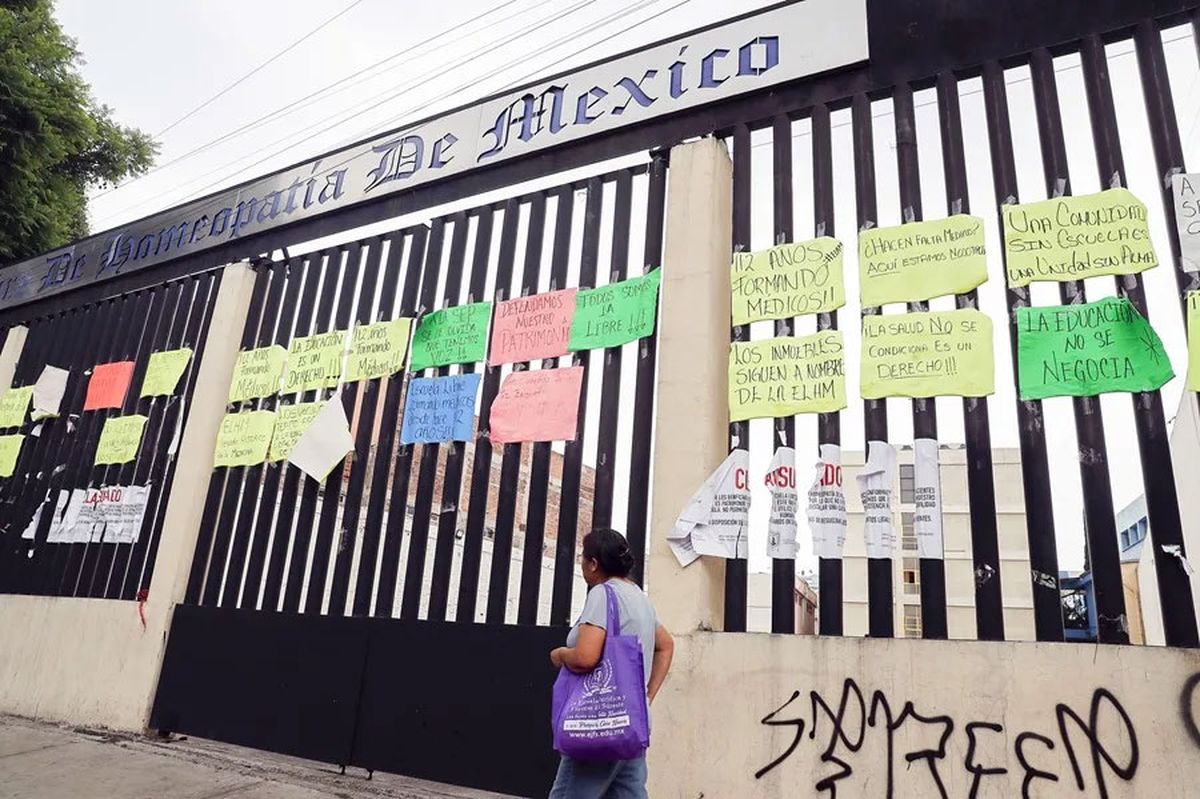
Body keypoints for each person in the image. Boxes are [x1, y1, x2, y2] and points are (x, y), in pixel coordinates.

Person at [548, 528, 674, 799]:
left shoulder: (603, 594)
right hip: (631, 721)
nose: (581, 564)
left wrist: (560, 655)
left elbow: (585, 657)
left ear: (594, 563)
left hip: (600, 721)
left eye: (583, 558)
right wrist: (646, 696)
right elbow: (666, 645)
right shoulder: (639, 597)